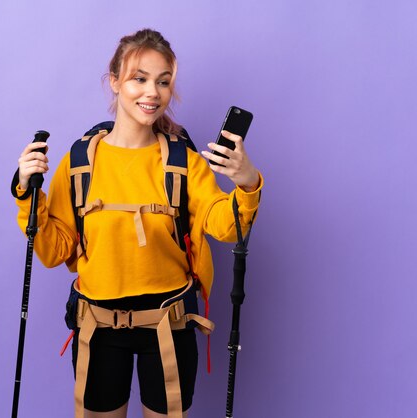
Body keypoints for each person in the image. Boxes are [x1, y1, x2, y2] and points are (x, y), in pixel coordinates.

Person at [14, 29, 263, 418]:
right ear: (114, 81)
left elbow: (226, 226)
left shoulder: (184, 161)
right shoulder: (80, 161)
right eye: (139, 78)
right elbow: (54, 249)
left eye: (163, 82)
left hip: (169, 324)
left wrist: (246, 182)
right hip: (96, 326)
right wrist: (29, 193)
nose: (153, 92)